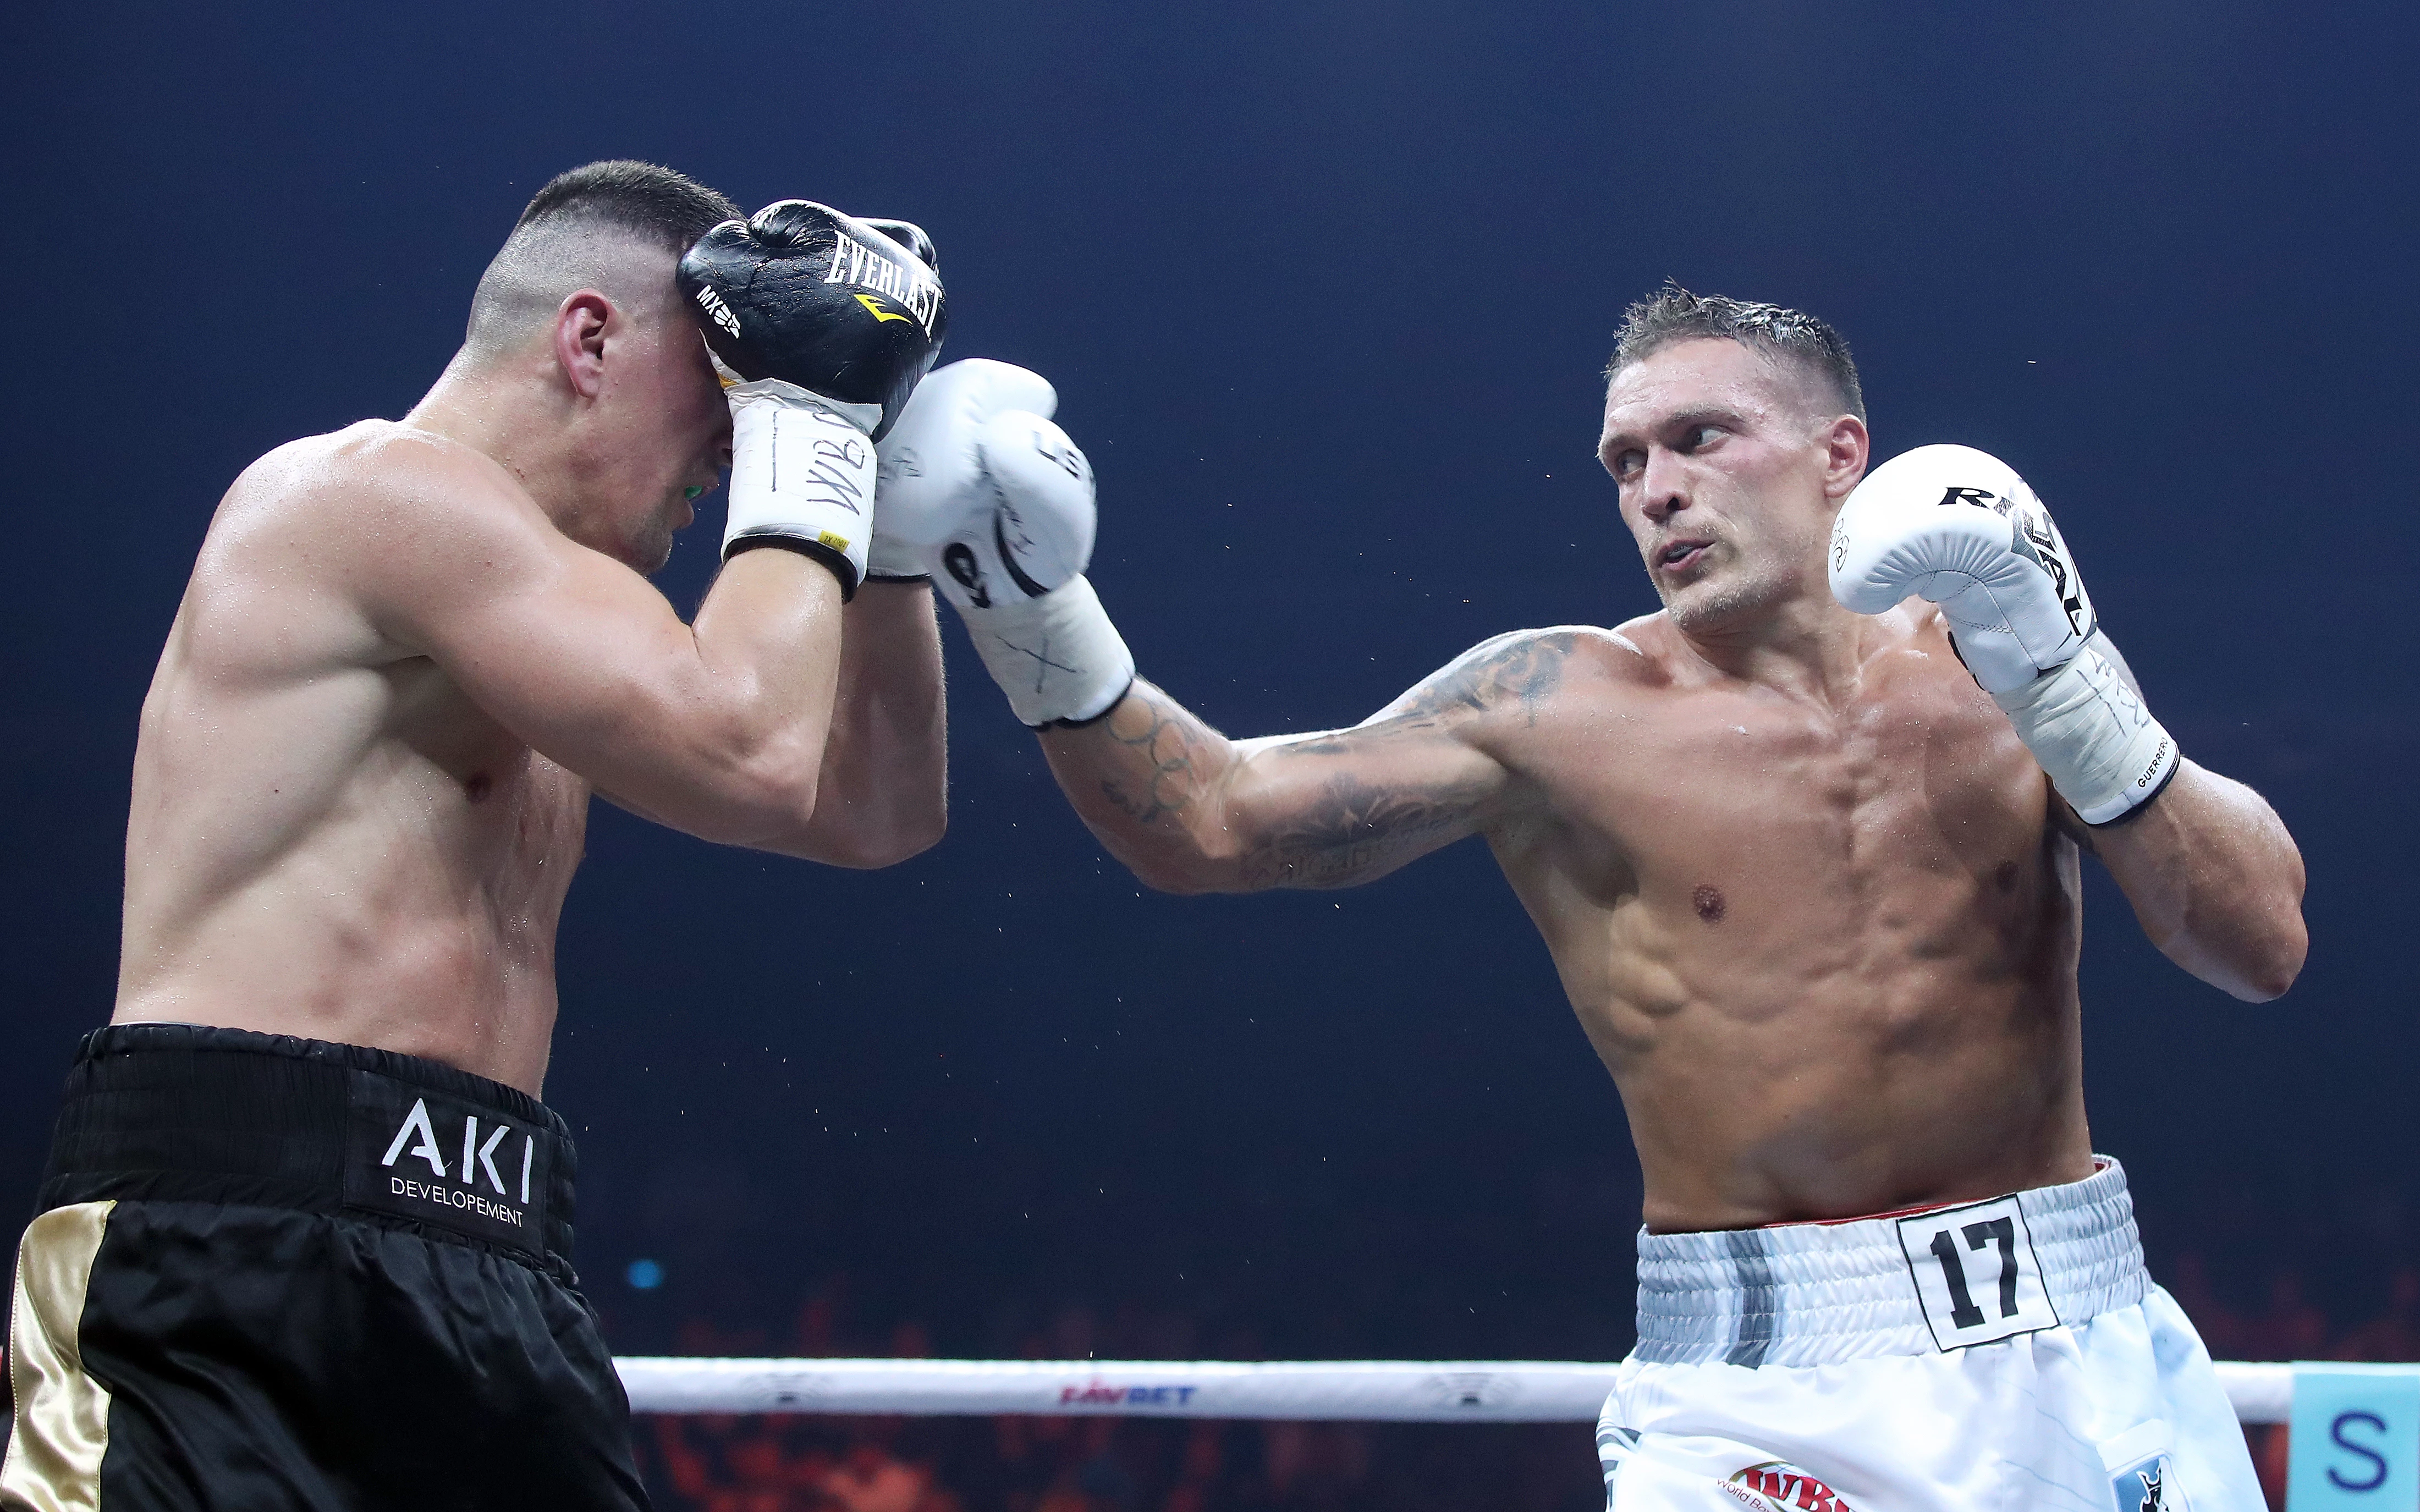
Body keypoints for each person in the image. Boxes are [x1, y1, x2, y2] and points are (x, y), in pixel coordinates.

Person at [876, 290, 2308, 1509]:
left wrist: (2066, 671)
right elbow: (1213, 824)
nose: (1656, 489)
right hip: (1766, 1410)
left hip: (2085, 1346)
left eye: (1699, 438)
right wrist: (1022, 605)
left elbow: (2261, 944)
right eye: (1624, 462)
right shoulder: (1558, 703)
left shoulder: (1997, 651)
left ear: (1839, 454)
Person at [4, 162, 952, 1511]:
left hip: (490, 1253)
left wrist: (882, 523)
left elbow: (875, 811)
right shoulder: (371, 493)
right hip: (225, 1248)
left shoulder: (564, 613)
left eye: (759, 411)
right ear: (589, 338)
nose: (733, 450)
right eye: (726, 394)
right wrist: (814, 426)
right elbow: (748, 745)